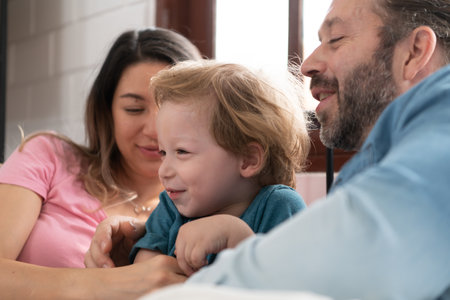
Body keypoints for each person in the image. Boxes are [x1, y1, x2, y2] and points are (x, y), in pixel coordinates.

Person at [85, 0, 450, 298]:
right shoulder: (382, 161)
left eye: (336, 39)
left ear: (414, 51)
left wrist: (234, 245)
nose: (307, 64)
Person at [0, 27, 202, 298]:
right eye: (134, 109)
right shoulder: (49, 155)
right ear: (108, 111)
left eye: (171, 108)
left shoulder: (205, 210)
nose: (155, 130)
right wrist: (106, 283)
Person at [129, 60, 310, 275]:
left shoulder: (279, 206)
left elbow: (293, 284)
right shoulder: (171, 205)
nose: (163, 171)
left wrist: (238, 239)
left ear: (248, 160)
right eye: (163, 153)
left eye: (182, 152)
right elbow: (144, 266)